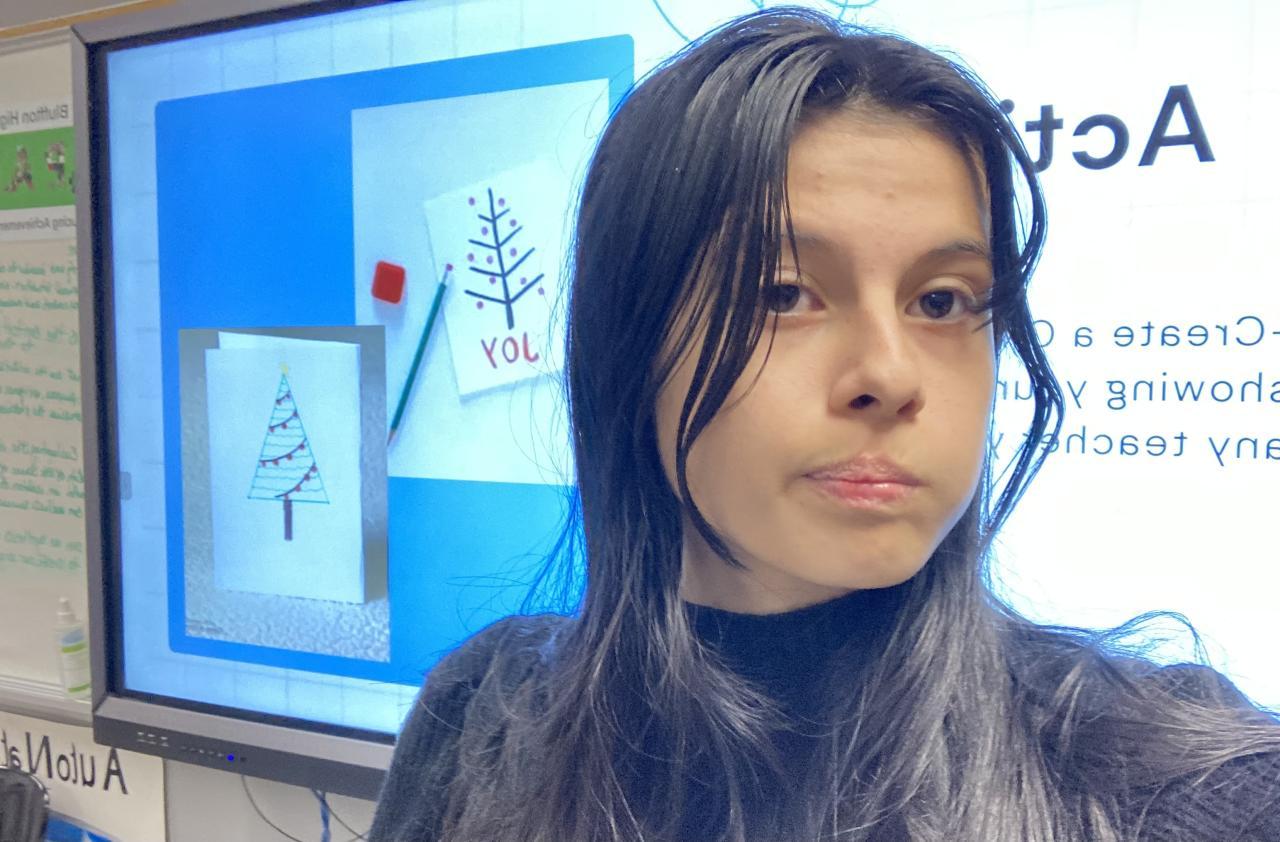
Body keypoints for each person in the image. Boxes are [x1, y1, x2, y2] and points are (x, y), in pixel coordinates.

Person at [370, 9, 1280, 841]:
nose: (890, 374)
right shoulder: (485, 718)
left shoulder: (1180, 789)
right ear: (629, 346)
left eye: (941, 300)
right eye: (782, 293)